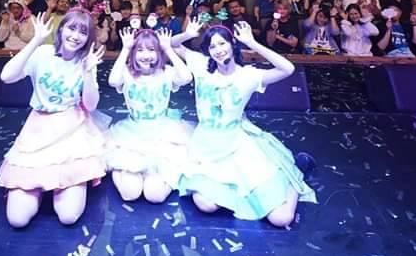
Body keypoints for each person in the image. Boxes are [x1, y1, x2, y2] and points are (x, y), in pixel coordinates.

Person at [170, 20, 316, 227]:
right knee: (206, 205)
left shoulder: (248, 75)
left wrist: (252, 43)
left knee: (281, 219)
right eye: (212, 46)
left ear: (232, 44)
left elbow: (287, 69)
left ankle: (294, 179)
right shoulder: (201, 65)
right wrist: (187, 34)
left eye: (222, 43)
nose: (218, 50)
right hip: (205, 148)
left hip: (237, 147)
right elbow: (172, 44)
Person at [0, 10, 109, 227]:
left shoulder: (86, 61)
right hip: (37, 131)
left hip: (72, 130)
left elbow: (91, 105)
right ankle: (38, 188)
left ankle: (64, 185)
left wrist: (88, 72)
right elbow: (6, 76)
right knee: (17, 219)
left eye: (83, 32)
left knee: (68, 216)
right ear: (62, 28)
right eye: (71, 28)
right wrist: (35, 41)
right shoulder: (43, 53)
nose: (75, 36)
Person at [105, 27, 195, 203]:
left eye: (151, 49)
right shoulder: (127, 73)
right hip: (131, 135)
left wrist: (168, 48)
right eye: (140, 50)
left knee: (155, 196)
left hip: (163, 134)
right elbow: (113, 81)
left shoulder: (167, 72)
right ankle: (121, 168)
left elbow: (186, 77)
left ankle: (159, 175)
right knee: (130, 193)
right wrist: (125, 49)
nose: (146, 55)